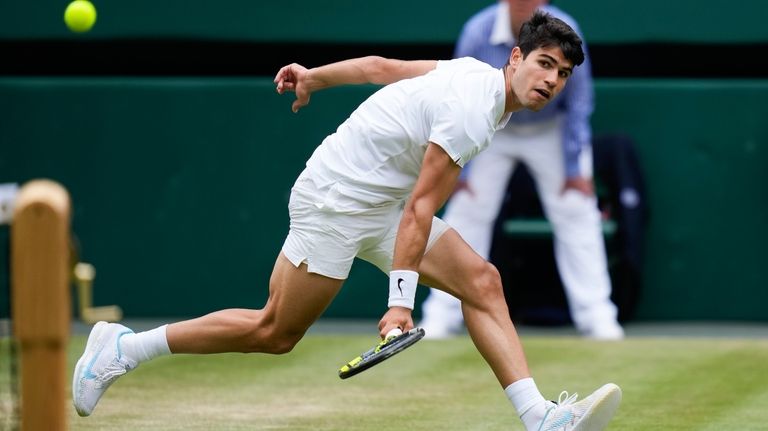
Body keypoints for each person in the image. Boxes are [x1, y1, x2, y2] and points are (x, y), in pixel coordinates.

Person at [72, 12, 621, 430]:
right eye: (544, 64)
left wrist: (315, 77)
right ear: (516, 59)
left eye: (564, 73)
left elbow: (382, 70)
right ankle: (124, 348)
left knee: (482, 281)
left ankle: (539, 417)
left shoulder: (475, 77)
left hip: (381, 201)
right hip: (335, 199)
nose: (552, 80)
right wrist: (399, 303)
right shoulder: (473, 111)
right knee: (275, 331)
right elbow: (421, 210)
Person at [420, 0, 625, 340]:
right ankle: (441, 315)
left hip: (551, 130)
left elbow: (579, 101)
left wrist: (576, 167)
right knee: (467, 210)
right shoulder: (477, 31)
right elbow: (457, 96)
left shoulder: (566, 29)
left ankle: (598, 317)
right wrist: (463, 170)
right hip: (491, 126)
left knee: (576, 210)